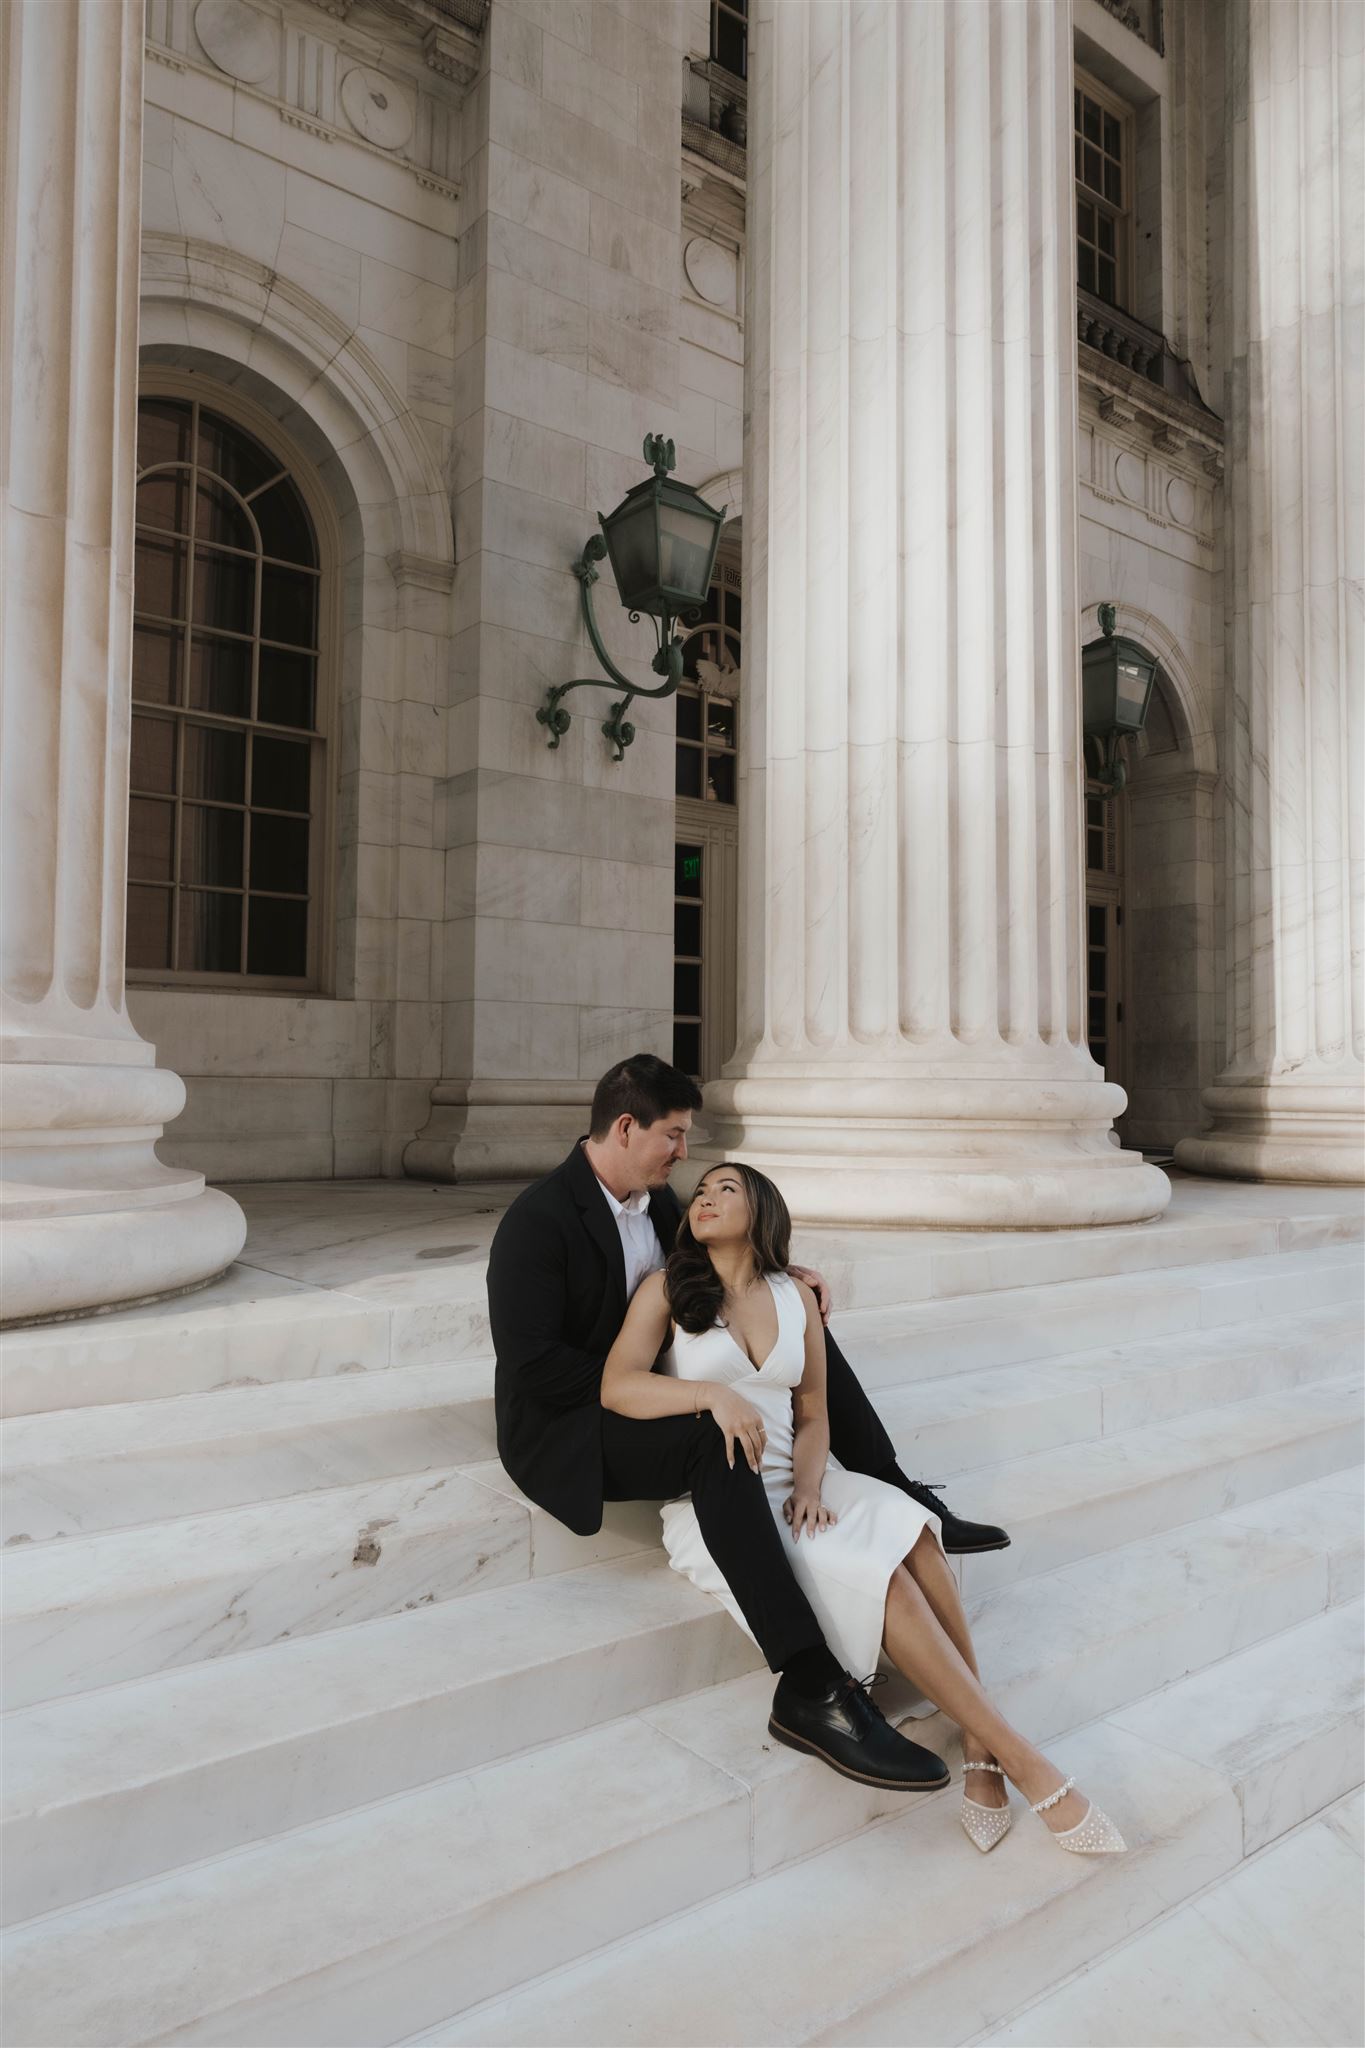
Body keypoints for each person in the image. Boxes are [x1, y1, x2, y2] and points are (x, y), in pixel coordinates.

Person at [487, 1053, 1009, 1791]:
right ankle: (809, 1683)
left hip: (643, 1389)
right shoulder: (536, 1221)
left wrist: (783, 1281)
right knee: (714, 1435)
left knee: (804, 1326)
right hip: (568, 1423)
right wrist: (670, 1386)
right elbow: (536, 1368)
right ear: (627, 1126)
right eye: (672, 1135)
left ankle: (896, 1486)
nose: (681, 1152)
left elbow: (711, 1268)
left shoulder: (657, 1201)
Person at [601, 1160, 1126, 1856]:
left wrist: (814, 1487)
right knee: (890, 1582)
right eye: (699, 1191)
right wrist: (709, 1396)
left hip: (803, 1478)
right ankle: (1022, 1760)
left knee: (916, 1534)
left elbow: (813, 1412)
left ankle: (979, 1746)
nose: (703, 1198)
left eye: (725, 1190)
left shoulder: (793, 1296)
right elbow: (618, 1385)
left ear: (761, 1213)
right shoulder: (667, 1290)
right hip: (729, 1498)